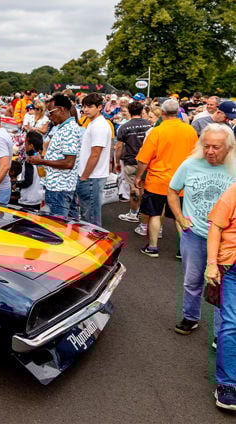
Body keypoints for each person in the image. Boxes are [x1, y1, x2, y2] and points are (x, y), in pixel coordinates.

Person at [168, 124, 236, 339]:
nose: (210, 152)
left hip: (226, 241)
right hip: (195, 235)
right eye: (206, 146)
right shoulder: (190, 164)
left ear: (228, 147)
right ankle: (190, 317)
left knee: (222, 287)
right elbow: (172, 190)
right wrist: (180, 218)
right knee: (192, 281)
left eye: (216, 147)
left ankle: (221, 333)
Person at [134, 99, 198, 257]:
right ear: (178, 112)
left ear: (162, 113)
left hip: (157, 181)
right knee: (179, 216)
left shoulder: (157, 131)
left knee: (155, 214)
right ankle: (183, 250)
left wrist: (138, 177)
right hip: (181, 182)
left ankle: (152, 247)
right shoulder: (190, 131)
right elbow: (196, 156)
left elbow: (143, 159)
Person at [206, 176, 236, 411]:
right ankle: (227, 384)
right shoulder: (234, 191)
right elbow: (216, 225)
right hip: (233, 267)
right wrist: (212, 263)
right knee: (232, 323)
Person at [27, 94, 81, 218]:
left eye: (51, 112)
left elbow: (69, 163)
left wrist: (41, 161)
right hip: (60, 187)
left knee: (56, 226)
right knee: (67, 224)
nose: (49, 116)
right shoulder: (64, 128)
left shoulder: (69, 130)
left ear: (61, 109)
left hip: (59, 189)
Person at [75, 93, 111, 226]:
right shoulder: (94, 123)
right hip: (91, 176)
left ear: (99, 107)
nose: (85, 109)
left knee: (90, 219)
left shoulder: (99, 125)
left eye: (89, 106)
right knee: (88, 215)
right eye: (84, 106)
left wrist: (84, 176)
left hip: (92, 177)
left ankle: (91, 238)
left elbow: (95, 154)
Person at [116, 100, 153, 223]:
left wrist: (117, 162)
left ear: (129, 111)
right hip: (147, 161)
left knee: (134, 188)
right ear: (142, 111)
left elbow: (119, 147)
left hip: (131, 161)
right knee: (144, 188)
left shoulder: (124, 127)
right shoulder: (149, 125)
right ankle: (143, 213)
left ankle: (133, 213)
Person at [15, 131, 45, 211]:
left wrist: (16, 184)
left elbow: (28, 181)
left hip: (27, 200)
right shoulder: (41, 160)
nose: (24, 146)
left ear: (31, 146)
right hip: (38, 198)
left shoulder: (29, 161)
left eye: (25, 143)